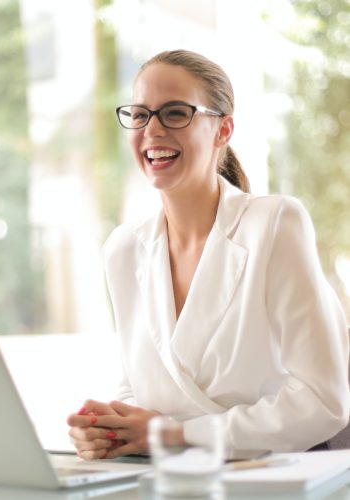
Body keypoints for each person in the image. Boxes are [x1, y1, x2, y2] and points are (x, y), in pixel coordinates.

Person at [67, 49, 350, 460]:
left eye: (176, 113)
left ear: (223, 130)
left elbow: (324, 402)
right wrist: (109, 429)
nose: (152, 130)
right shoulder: (123, 249)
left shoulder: (273, 224)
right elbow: (139, 385)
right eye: (140, 114)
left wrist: (174, 434)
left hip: (274, 477)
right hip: (174, 479)